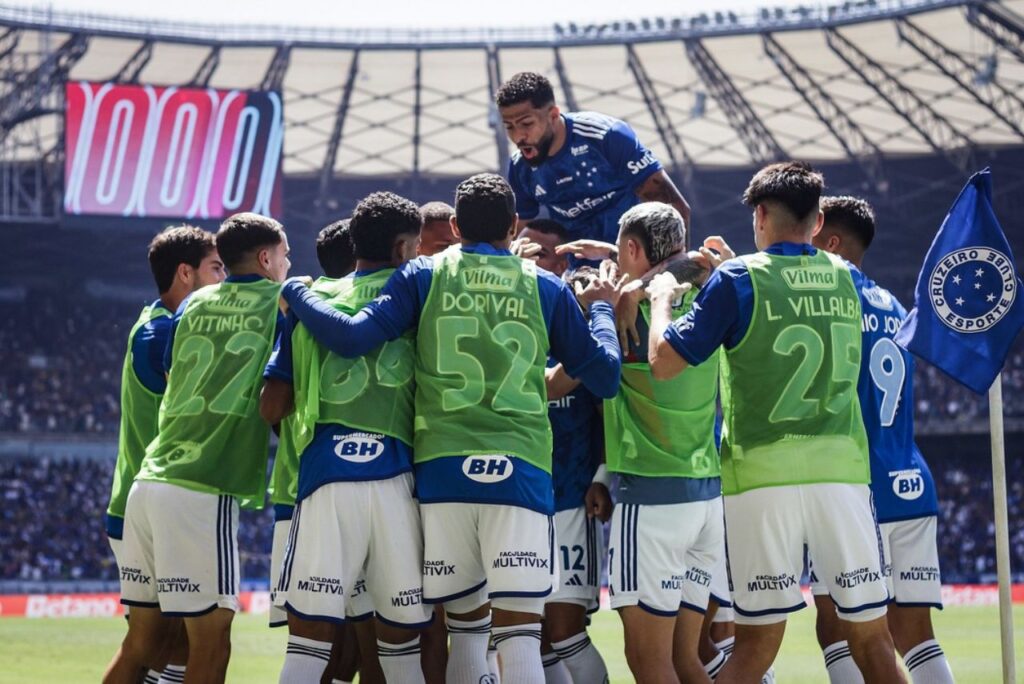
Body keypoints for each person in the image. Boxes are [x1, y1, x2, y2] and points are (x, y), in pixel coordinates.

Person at [276, 173, 626, 682]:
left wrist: (298, 293)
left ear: (457, 226)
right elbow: (606, 376)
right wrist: (599, 311)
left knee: (465, 631)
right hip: (521, 472)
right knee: (519, 639)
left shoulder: (423, 274)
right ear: (513, 224)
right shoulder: (544, 285)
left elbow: (352, 338)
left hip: (443, 476)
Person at [646, 162, 904, 684]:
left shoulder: (738, 280)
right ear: (817, 220)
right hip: (841, 476)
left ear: (760, 214)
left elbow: (664, 362)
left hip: (761, 479)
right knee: (874, 641)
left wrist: (660, 302)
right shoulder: (847, 277)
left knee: (757, 643)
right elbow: (791, 289)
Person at [110, 213, 290, 684]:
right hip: (201, 487)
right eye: (285, 255)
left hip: (147, 482)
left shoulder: (190, 308)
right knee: (209, 644)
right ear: (268, 258)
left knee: (144, 646)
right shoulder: (285, 301)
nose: (288, 265)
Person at [264, 193, 430, 684]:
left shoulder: (311, 304)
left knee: (308, 646)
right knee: (401, 649)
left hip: (325, 480)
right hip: (399, 479)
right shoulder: (420, 294)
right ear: (403, 249)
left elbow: (272, 406)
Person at [809, 196, 953, 684]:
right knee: (915, 634)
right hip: (911, 479)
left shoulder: (824, 300)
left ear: (829, 241)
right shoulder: (895, 306)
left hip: (857, 489)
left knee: (837, 629)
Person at [104, 226, 225, 684]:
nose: (226, 281)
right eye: (217, 268)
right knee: (168, 643)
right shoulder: (161, 334)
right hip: (159, 503)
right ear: (184, 274)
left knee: (162, 644)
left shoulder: (152, 322)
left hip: (136, 503)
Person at [515, 220, 611, 684]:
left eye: (543, 251)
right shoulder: (502, 316)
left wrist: (604, 476)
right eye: (526, 249)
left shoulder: (584, 318)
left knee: (564, 630)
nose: (534, 258)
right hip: (515, 497)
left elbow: (610, 409)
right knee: (523, 634)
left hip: (571, 499)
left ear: (562, 260)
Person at [496, 72, 691, 248]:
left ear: (553, 115)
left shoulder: (607, 137)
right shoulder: (520, 167)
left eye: (526, 124)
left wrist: (675, 271)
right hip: (576, 273)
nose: (518, 136)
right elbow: (516, 236)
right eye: (509, 127)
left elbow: (674, 210)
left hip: (634, 263)